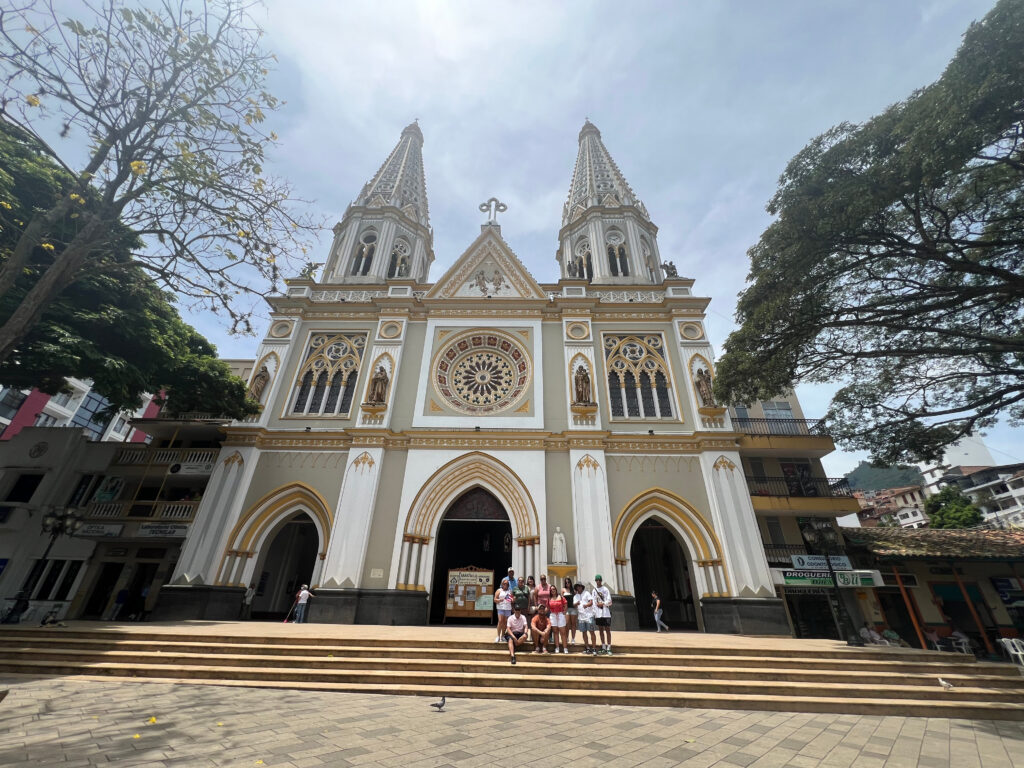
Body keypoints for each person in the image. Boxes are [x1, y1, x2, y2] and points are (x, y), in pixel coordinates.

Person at [575, 583, 597, 655]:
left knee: (591, 632)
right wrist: (576, 604)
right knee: (584, 632)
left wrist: (586, 605)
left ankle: (594, 648)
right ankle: (587, 648)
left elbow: (591, 602)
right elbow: (574, 605)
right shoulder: (575, 596)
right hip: (581, 617)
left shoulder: (586, 593)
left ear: (582, 587)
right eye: (577, 587)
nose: (579, 588)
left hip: (589, 616)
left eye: (580, 586)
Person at [593, 575, 613, 655]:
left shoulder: (605, 589)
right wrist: (595, 613)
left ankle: (609, 647)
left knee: (607, 629)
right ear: (595, 581)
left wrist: (603, 604)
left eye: (599, 580)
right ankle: (603, 646)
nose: (598, 581)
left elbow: (609, 600)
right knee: (600, 630)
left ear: (601, 581)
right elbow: (594, 602)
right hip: (598, 613)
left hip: (605, 612)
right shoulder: (594, 590)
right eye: (597, 580)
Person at [548, 586, 568, 653]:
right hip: (553, 615)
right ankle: (557, 647)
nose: (552, 590)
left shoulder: (561, 597)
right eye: (551, 590)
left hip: (560, 614)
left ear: (556, 590)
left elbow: (565, 604)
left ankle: (565, 648)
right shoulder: (549, 598)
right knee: (555, 632)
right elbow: (547, 607)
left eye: (554, 589)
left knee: (563, 632)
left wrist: (564, 612)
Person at [494, 578, 513, 642]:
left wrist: (513, 600)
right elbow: (495, 599)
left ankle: (502, 636)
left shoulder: (510, 591)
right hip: (501, 608)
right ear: (502, 584)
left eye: (507, 584)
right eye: (504, 583)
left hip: (508, 608)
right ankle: (498, 636)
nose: (506, 585)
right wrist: (499, 600)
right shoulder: (499, 590)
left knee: (505, 623)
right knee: (500, 621)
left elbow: (512, 599)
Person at [562, 576, 578, 646]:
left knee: (573, 624)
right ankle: (567, 637)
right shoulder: (563, 590)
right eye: (566, 582)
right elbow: (561, 599)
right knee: (567, 623)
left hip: (573, 608)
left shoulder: (574, 591)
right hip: (566, 608)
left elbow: (577, 598)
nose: (567, 583)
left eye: (568, 582)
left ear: (570, 583)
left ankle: (573, 638)